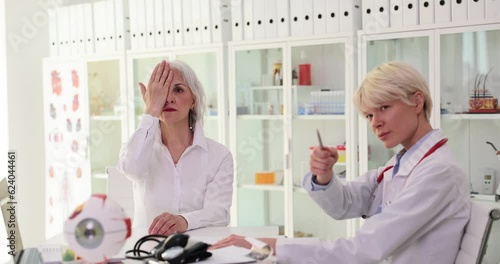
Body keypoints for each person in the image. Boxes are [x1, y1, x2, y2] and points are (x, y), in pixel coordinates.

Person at [211, 61, 471, 263]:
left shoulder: (438, 172)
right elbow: (344, 205)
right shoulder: (400, 164)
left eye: (384, 108)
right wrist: (324, 176)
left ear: (417, 101)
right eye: (369, 115)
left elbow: (360, 250)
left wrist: (267, 245)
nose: (375, 123)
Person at [117, 60, 233, 236]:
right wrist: (151, 110)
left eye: (178, 90)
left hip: (197, 252)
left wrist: (185, 221)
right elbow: (132, 170)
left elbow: (219, 214)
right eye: (161, 92)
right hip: (146, 251)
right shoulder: (136, 148)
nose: (169, 98)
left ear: (193, 99)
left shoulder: (219, 156)